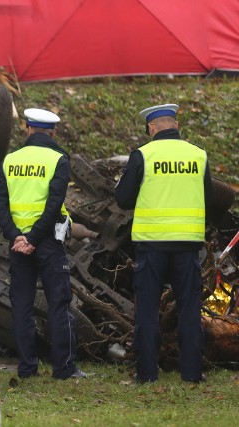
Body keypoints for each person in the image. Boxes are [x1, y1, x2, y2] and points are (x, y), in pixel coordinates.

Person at [115, 104, 211, 383]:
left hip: (152, 244)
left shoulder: (144, 155)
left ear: (151, 127)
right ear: (176, 125)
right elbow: (205, 195)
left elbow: (123, 199)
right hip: (187, 244)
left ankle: (146, 375)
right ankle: (192, 374)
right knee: (189, 309)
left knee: (147, 310)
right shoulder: (198, 155)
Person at [0, 108, 86, 380]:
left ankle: (26, 368)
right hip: (47, 242)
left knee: (22, 305)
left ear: (27, 129)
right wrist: (34, 238)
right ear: (53, 132)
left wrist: (16, 237)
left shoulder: (10, 160)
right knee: (58, 303)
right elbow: (54, 203)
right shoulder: (58, 159)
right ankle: (64, 368)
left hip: (18, 243)